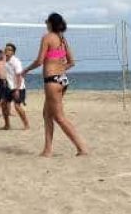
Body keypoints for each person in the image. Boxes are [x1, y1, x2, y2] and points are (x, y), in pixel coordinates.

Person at [22, 13, 88, 157]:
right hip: (62, 80)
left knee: (59, 117)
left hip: (52, 80)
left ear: (51, 23)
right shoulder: (63, 40)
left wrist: (26, 70)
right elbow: (72, 62)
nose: (45, 23)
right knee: (47, 114)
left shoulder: (47, 37)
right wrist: (60, 69)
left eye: (46, 21)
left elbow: (40, 61)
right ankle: (47, 150)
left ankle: (81, 148)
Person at [1, 43, 30, 130]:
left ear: (13, 52)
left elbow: (19, 76)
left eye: (9, 49)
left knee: (17, 106)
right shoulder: (5, 60)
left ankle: (26, 125)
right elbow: (8, 73)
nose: (6, 51)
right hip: (9, 87)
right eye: (6, 49)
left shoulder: (16, 61)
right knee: (3, 105)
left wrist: (17, 89)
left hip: (18, 87)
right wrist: (5, 81)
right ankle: (7, 125)